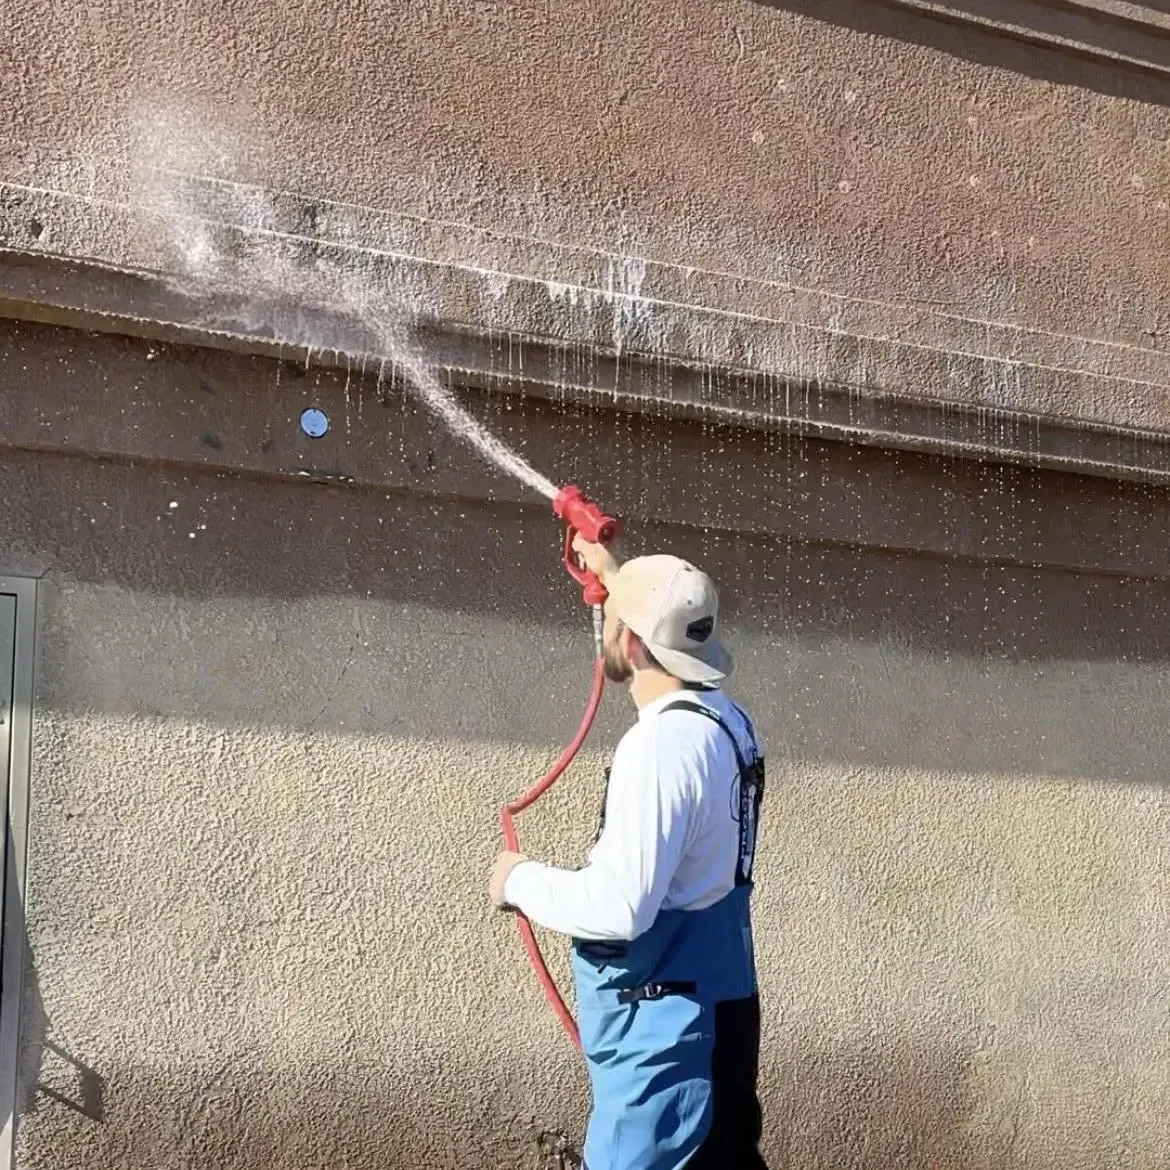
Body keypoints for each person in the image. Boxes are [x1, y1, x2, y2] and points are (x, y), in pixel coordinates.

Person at [490, 535, 769, 1170]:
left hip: (666, 1039)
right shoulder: (727, 722)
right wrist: (616, 578)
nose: (604, 625)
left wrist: (519, 881)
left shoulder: (660, 747)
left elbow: (621, 909)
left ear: (635, 643)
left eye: (614, 619)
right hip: (719, 1014)